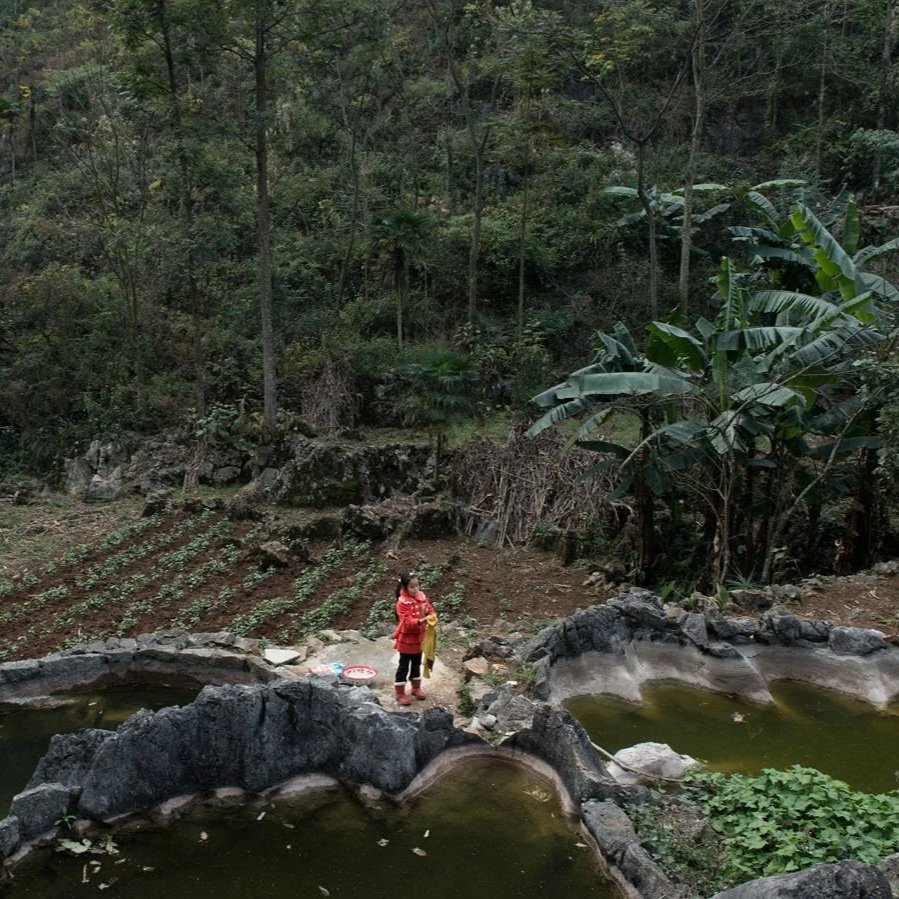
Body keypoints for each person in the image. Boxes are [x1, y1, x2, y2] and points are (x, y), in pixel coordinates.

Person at [393, 571, 436, 706]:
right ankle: (400, 693)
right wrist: (421, 621)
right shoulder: (402, 603)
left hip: (419, 638)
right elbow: (407, 621)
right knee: (403, 666)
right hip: (407, 640)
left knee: (417, 663)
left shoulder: (421, 596)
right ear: (404, 588)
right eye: (412, 587)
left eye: (417, 586)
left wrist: (432, 615)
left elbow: (428, 608)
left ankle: (416, 688)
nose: (415, 589)